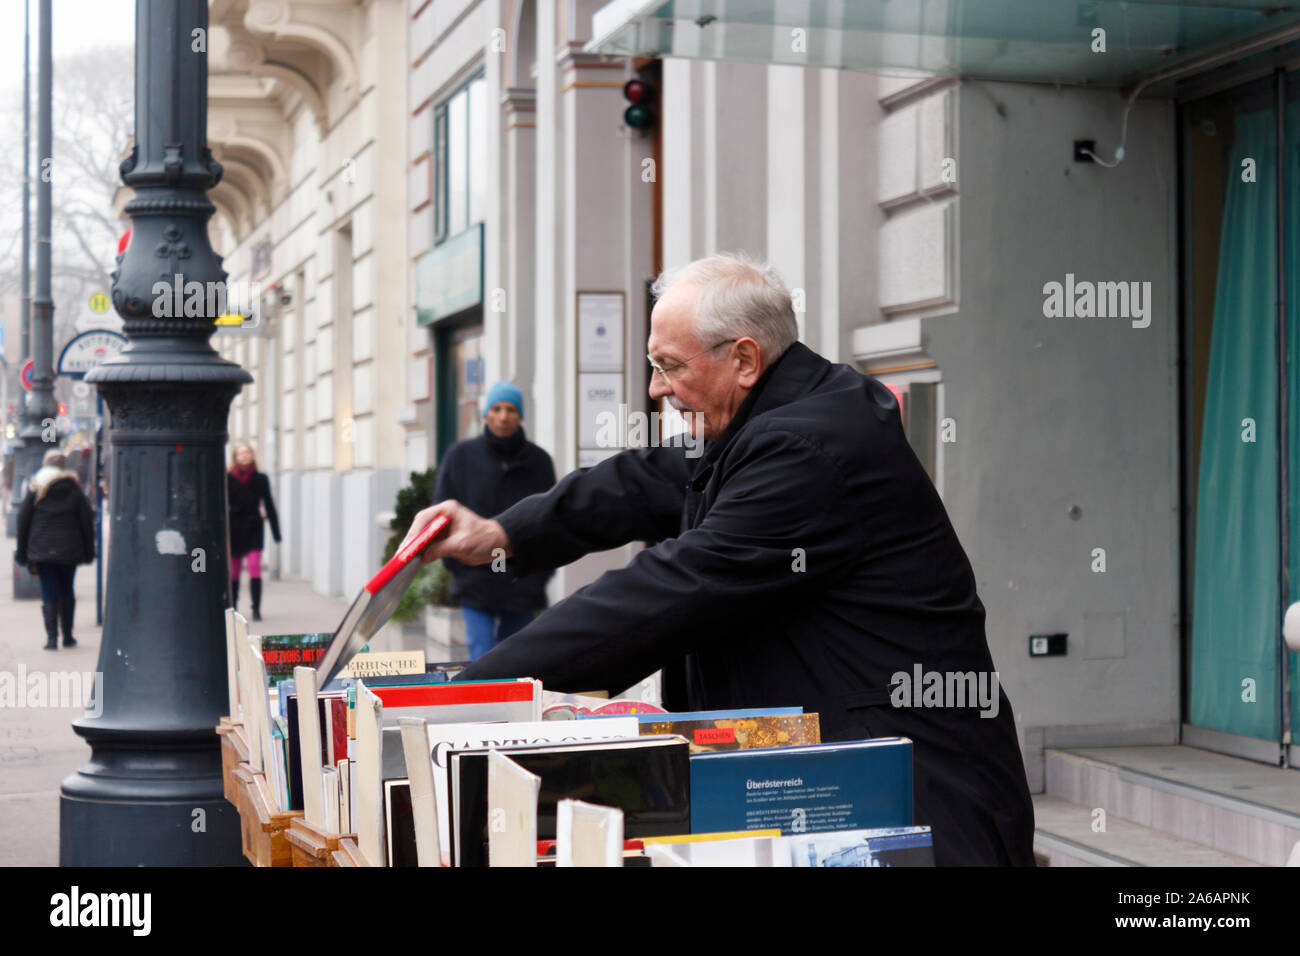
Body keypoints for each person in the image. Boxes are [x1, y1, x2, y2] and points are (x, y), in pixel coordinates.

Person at [399, 252, 1036, 866]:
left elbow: (670, 592)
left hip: (917, 805)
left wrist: (473, 693)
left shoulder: (804, 450)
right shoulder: (770, 421)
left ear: (744, 360)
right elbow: (641, 481)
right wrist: (502, 532)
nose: (656, 390)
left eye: (669, 365)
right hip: (843, 787)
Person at [433, 381, 556, 660]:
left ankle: (511, 705)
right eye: (497, 408)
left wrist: (541, 572)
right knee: (483, 657)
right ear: (486, 414)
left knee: (515, 659)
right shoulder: (461, 457)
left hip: (521, 577)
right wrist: (456, 564)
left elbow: (550, 518)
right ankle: (484, 705)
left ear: (520, 415)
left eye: (511, 409)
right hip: (475, 577)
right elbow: (443, 512)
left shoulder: (539, 462)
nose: (503, 416)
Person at [16, 449, 95, 650]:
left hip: (42, 548)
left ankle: (52, 639)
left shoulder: (36, 489)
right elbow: (86, 522)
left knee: (49, 590)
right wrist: (88, 550)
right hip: (69, 548)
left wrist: (22, 552)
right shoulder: (74, 489)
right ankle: (68, 635)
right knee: (67, 587)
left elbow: (23, 521)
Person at [228, 443, 280, 621]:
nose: (244, 456)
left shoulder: (260, 478)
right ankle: (232, 607)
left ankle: (256, 608)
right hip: (234, 528)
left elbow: (269, 505)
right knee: (234, 571)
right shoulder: (227, 478)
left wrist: (276, 533)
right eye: (241, 453)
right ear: (235, 457)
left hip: (254, 527)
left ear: (252, 455)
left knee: (254, 567)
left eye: (247, 452)